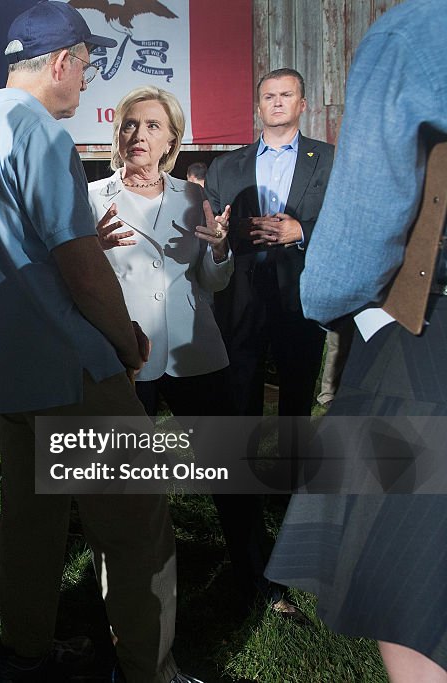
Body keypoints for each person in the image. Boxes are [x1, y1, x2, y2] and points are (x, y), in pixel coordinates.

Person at [0, 5, 198, 682]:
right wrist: (124, 339)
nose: (87, 82)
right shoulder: (40, 133)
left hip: (8, 367)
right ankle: (150, 669)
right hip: (69, 366)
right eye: (87, 66)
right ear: (61, 60)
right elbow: (83, 268)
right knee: (136, 523)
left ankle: (25, 649)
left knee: (31, 523)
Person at [266, 1, 447, 680]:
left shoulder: (417, 31)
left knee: (419, 600)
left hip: (425, 352)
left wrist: (330, 297)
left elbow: (351, 249)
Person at [203, 67, 334, 614]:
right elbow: (210, 233)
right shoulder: (226, 165)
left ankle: (293, 510)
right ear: (258, 106)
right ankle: (247, 510)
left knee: (297, 411)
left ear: (302, 104)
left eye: (286, 96)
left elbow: (348, 222)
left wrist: (298, 232)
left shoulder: (328, 160)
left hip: (301, 301)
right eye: (268, 96)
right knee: (241, 412)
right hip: (240, 303)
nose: (277, 103)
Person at [89, 86, 232, 420]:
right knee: (124, 465)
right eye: (130, 124)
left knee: (223, 456)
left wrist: (220, 249)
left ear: (171, 140)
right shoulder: (90, 197)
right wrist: (93, 248)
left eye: (153, 125)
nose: (139, 134)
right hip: (125, 350)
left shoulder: (193, 198)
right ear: (118, 134)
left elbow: (213, 283)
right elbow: (74, 279)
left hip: (194, 347)